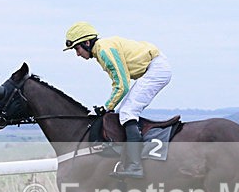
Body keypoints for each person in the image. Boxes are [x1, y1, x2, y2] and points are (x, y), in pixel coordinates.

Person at [64, 22, 172, 178]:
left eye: (77, 48)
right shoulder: (102, 49)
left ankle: (135, 166)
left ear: (87, 43)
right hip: (154, 66)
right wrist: (109, 107)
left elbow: (122, 85)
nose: (77, 54)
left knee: (128, 112)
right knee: (124, 112)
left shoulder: (104, 50)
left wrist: (107, 106)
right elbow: (119, 83)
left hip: (156, 69)